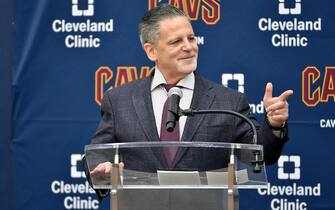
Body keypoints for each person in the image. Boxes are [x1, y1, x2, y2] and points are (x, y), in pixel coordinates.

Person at [84, 4, 293, 207]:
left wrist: (274, 125)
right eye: (176, 41)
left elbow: (260, 155)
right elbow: (98, 153)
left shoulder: (229, 101)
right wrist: (99, 169)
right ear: (151, 51)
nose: (189, 47)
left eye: (191, 38)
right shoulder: (120, 100)